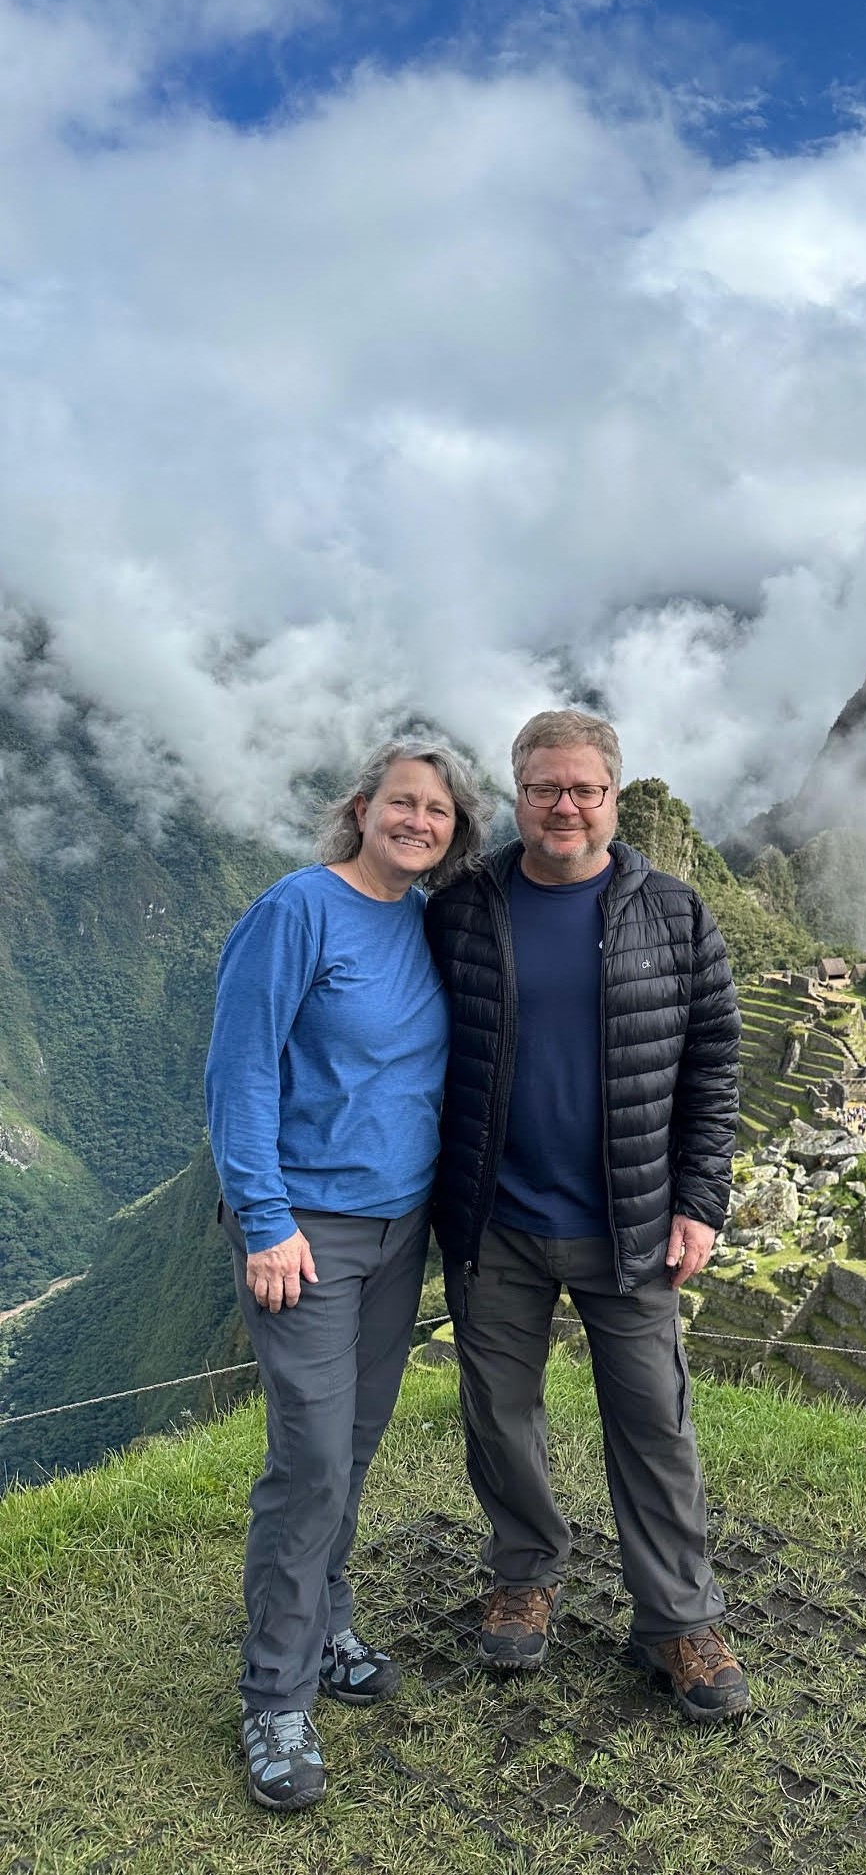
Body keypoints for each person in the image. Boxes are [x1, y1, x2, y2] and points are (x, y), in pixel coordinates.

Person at [425, 707, 748, 1725]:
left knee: (654, 1424)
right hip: (496, 1218)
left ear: (614, 795)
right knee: (499, 1413)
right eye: (544, 787)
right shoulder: (462, 907)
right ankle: (525, 1571)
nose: (565, 805)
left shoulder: (675, 912)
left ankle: (679, 1619)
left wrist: (700, 1200)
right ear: (515, 795)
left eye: (585, 788)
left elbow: (715, 1063)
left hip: (632, 1222)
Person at [206, 738, 490, 1811]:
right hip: (305, 1232)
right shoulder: (299, 909)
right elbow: (237, 1065)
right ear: (362, 807)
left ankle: (325, 1622)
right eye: (402, 802)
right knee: (311, 1457)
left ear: (454, 831)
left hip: (397, 1228)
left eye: (440, 811)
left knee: (356, 1441)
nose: (419, 820)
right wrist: (265, 1217)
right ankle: (274, 1694)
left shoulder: (425, 924)